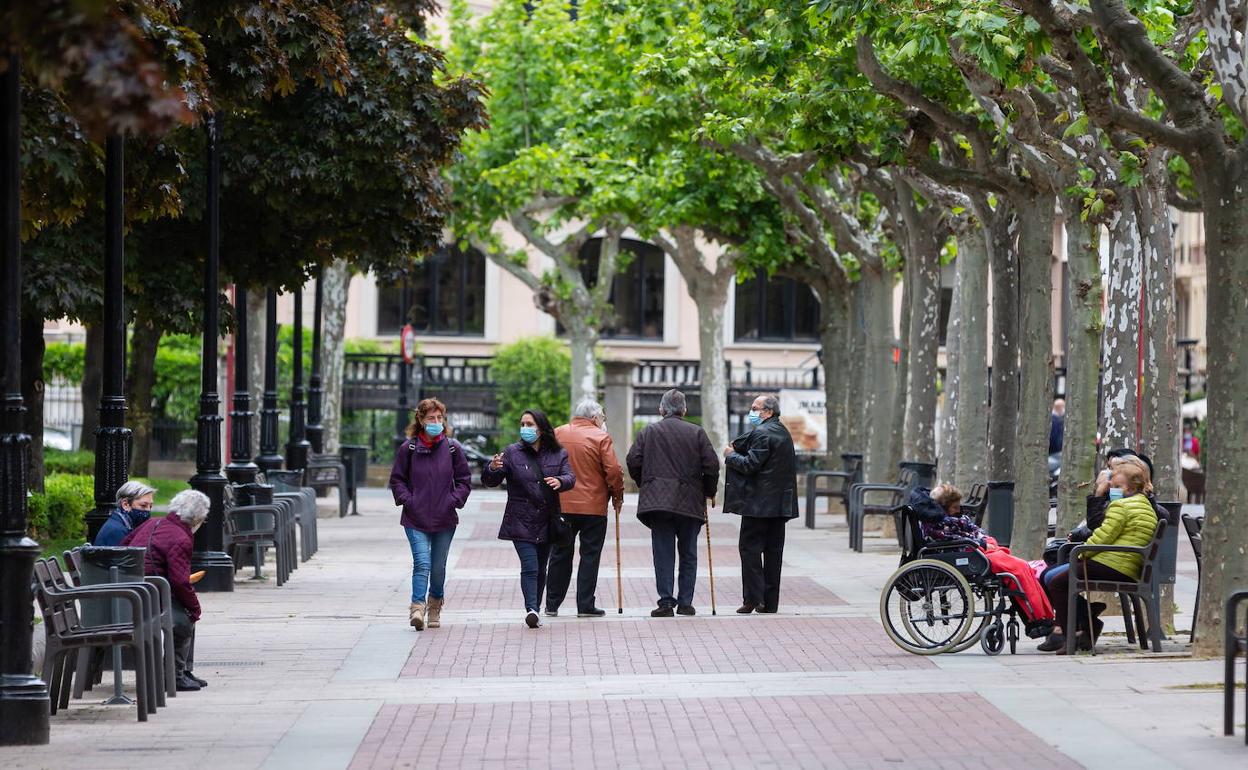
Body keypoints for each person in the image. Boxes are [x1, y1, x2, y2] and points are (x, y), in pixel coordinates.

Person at [1041, 456, 1159, 653]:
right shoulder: (1145, 505)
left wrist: (1081, 554)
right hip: (1125, 565)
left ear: (1130, 488)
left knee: (1056, 582)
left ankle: (1070, 636)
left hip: (1113, 565)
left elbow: (1103, 536)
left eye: (1118, 486)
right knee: (1054, 577)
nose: (1113, 489)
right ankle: (1084, 625)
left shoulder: (1121, 506)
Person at [915, 484, 1055, 638]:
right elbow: (952, 538)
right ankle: (1037, 618)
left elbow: (973, 531)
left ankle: (1038, 618)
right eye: (955, 507)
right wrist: (981, 543)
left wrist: (984, 540)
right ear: (944, 506)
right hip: (967, 554)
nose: (958, 510)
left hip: (975, 551)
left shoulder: (950, 519)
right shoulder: (939, 522)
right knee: (1018, 569)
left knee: (1023, 567)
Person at [626, 389, 719, 617]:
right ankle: (686, 602)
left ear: (661, 409)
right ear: (684, 410)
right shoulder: (697, 432)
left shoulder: (649, 431)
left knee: (663, 553)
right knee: (688, 553)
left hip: (658, 503)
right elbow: (712, 465)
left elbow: (632, 460)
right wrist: (708, 491)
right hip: (690, 501)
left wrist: (646, 483)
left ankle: (666, 602)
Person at [482, 409, 575, 629]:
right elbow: (491, 481)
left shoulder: (558, 453)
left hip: (547, 519)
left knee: (541, 567)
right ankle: (531, 608)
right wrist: (492, 468)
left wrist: (561, 481)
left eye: (530, 424)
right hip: (520, 519)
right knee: (530, 566)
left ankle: (536, 607)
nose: (525, 428)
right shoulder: (512, 453)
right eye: (522, 424)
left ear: (541, 428)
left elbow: (571, 477)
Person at [388, 397, 472, 631]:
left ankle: (435, 604)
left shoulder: (453, 448)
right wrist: (409, 500)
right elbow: (397, 480)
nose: (436, 422)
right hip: (416, 517)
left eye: (439, 418)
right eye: (430, 418)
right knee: (422, 563)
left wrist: (453, 500)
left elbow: (464, 480)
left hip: (445, 518)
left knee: (438, 567)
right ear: (421, 420)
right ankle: (417, 607)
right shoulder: (409, 448)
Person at [121, 489, 210, 692]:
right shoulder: (181, 537)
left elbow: (124, 545)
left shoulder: (153, 522)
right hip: (151, 595)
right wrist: (195, 607)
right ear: (197, 517)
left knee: (187, 610)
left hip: (133, 590)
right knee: (186, 617)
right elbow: (180, 582)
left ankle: (183, 671)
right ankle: (175, 675)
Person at [546, 399, 624, 618]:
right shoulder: (601, 437)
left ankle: (552, 604)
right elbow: (614, 471)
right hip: (594, 507)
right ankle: (585, 605)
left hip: (561, 504)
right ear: (594, 418)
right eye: (602, 418)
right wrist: (617, 495)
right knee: (590, 555)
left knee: (560, 553)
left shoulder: (558, 433)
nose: (602, 422)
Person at [723, 394, 798, 614]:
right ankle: (769, 602)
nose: (752, 412)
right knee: (774, 553)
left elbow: (749, 465)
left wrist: (729, 455)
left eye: (756, 408)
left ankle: (753, 598)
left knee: (750, 550)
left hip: (758, 506)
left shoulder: (763, 433)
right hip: (778, 506)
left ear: (768, 412)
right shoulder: (783, 432)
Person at [94, 481, 157, 547]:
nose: (148, 510)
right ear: (125, 504)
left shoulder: (122, 524)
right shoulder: (117, 531)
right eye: (143, 505)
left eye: (150, 506)